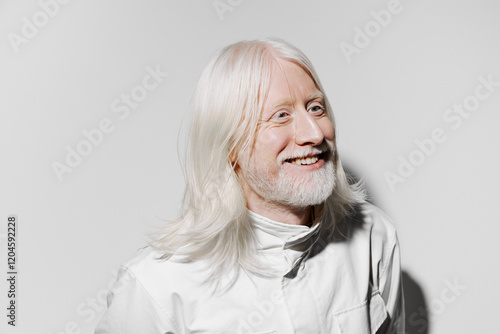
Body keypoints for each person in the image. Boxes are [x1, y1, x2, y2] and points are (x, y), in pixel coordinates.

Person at [95, 38, 404, 333]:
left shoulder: (373, 235)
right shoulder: (158, 285)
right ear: (229, 144)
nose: (314, 133)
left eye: (315, 108)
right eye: (281, 115)